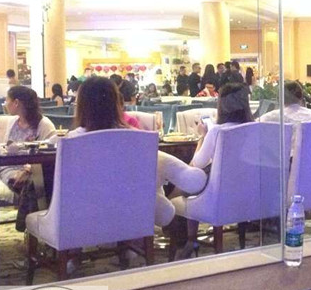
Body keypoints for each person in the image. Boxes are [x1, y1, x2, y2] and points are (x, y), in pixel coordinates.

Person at [66, 77, 206, 241]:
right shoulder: (137, 136)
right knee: (154, 183)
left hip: (87, 212)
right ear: (116, 103)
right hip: (132, 207)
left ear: (82, 105)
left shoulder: (72, 140)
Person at [174, 82, 254, 259]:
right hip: (247, 190)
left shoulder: (217, 131)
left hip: (218, 193)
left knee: (190, 180)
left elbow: (197, 163)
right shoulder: (255, 128)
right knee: (192, 181)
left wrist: (202, 137)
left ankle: (186, 238)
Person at [0, 86, 56, 231]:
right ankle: (35, 229)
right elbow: (6, 149)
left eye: (7, 100)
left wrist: (28, 169)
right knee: (30, 185)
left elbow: (49, 156)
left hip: (34, 170)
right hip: (9, 167)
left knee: (31, 182)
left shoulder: (44, 124)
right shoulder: (12, 122)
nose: (5, 103)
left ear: (16, 102)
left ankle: (27, 227)